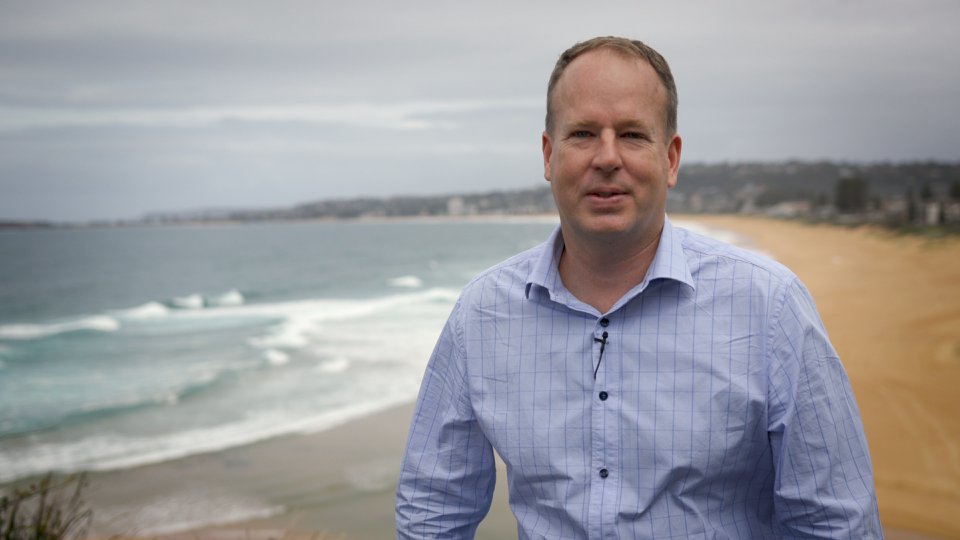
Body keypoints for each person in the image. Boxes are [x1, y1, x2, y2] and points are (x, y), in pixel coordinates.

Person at [396, 36, 882, 539]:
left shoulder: (770, 307)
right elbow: (433, 511)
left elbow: (836, 525)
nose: (607, 157)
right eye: (583, 133)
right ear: (548, 155)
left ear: (670, 159)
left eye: (631, 135)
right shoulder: (482, 314)